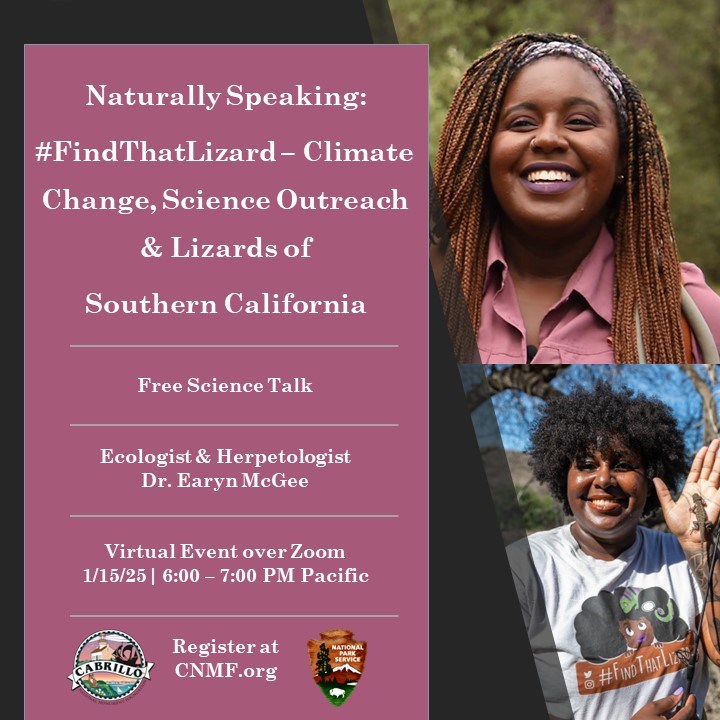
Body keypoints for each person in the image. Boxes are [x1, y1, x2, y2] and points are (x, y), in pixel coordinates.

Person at [430, 32, 720, 364]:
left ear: (623, 157)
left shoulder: (689, 318)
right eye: (522, 123)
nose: (548, 138)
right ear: (482, 151)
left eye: (579, 122)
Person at [506, 380, 720, 719]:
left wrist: (699, 546)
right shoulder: (524, 568)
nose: (604, 479)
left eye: (622, 464)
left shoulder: (685, 557)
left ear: (650, 478)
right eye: (587, 464)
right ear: (564, 474)